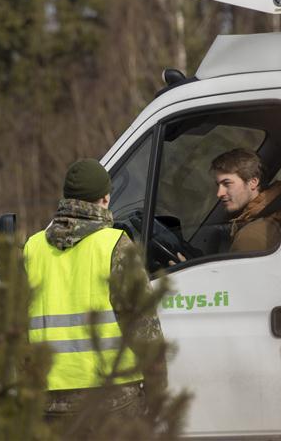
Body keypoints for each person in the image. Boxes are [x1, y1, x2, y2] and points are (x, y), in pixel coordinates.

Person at [23, 158, 167, 423]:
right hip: (112, 401)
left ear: (66, 200)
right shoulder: (116, 246)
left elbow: (14, 327)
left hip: (48, 404)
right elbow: (144, 329)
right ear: (105, 198)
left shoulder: (32, 248)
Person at [211, 148, 281, 253]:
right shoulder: (278, 209)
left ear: (253, 182)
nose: (219, 193)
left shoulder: (251, 235)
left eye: (227, 184)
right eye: (218, 185)